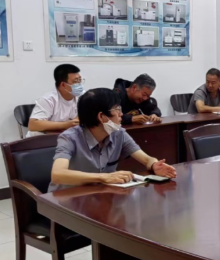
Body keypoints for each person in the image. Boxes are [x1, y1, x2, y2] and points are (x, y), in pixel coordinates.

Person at [48, 88, 177, 192]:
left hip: (99, 198)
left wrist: (155, 165)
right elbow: (57, 175)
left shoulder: (118, 133)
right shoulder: (69, 138)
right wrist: (104, 177)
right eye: (117, 109)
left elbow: (146, 159)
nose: (122, 114)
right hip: (67, 200)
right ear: (102, 116)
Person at [26, 63, 83, 136]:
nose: (79, 84)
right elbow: (33, 125)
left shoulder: (82, 97)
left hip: (66, 137)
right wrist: (66, 125)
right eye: (75, 81)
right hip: (43, 139)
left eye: (80, 80)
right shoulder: (48, 100)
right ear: (63, 85)